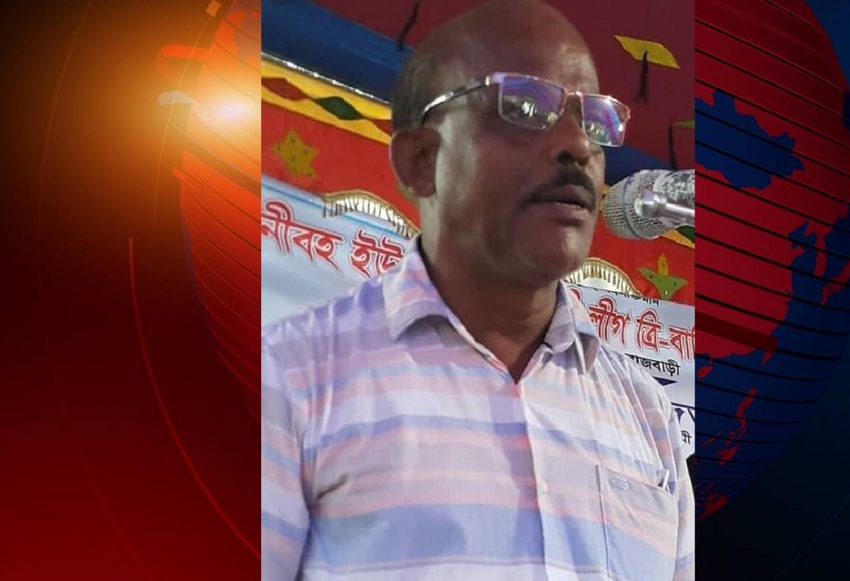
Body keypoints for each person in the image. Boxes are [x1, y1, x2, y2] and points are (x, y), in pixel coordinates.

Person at [261, 1, 694, 579]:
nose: (577, 145)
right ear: (421, 160)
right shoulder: (291, 377)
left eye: (594, 122)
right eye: (524, 107)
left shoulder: (648, 415)